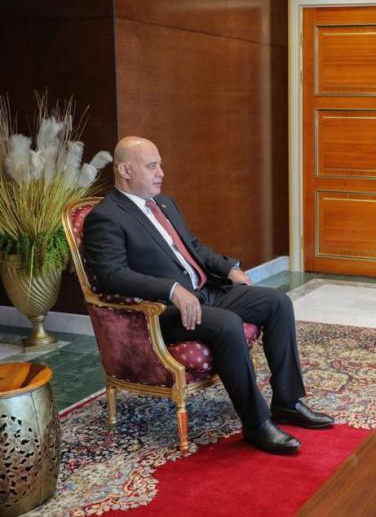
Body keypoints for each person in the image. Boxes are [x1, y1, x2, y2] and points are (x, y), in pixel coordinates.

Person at [83, 136, 333, 455]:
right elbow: (110, 276)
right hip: (164, 312)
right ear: (125, 170)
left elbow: (193, 247)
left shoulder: (164, 203)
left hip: (205, 292)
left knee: (277, 303)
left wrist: (229, 269)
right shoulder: (106, 217)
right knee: (227, 324)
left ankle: (287, 402)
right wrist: (171, 289)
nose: (161, 172)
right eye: (152, 166)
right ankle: (257, 424)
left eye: (160, 165)